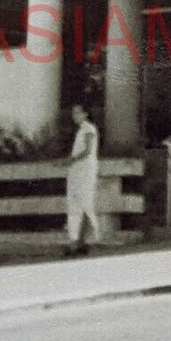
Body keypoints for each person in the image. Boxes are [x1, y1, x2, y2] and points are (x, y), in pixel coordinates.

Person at [65, 101, 102, 256]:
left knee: (85, 203)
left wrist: (72, 159)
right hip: (78, 171)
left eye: (78, 112)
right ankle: (77, 242)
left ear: (85, 114)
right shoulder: (81, 130)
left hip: (85, 171)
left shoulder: (88, 129)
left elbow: (87, 150)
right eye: (73, 113)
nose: (75, 116)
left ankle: (83, 241)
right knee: (75, 205)